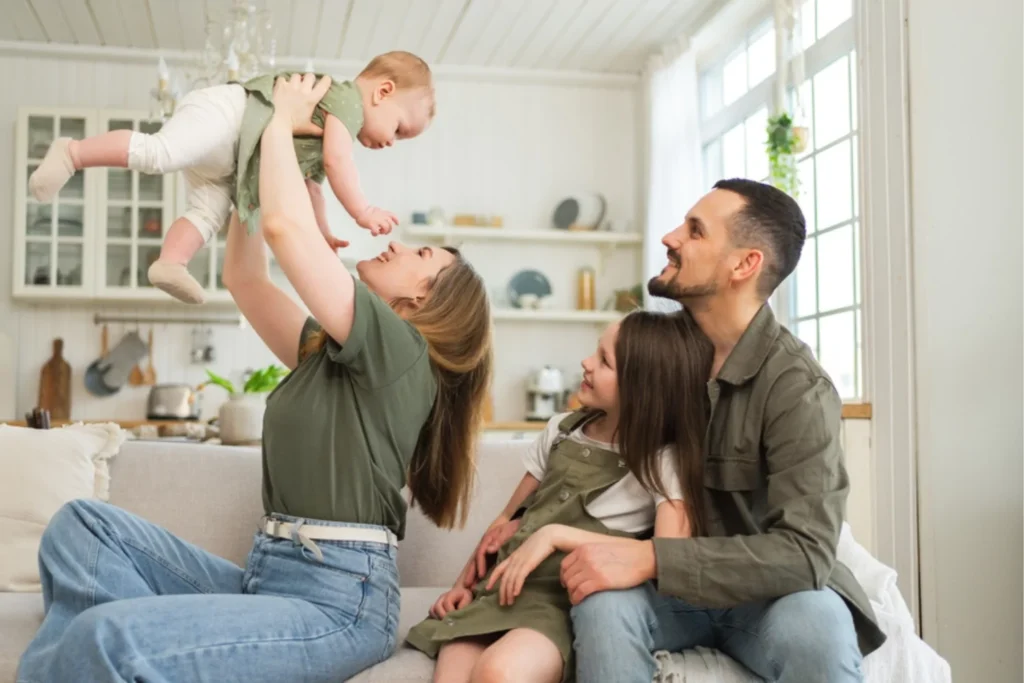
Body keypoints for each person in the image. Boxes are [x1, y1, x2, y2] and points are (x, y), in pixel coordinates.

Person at [16, 74, 491, 683]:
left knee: (107, 634)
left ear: (428, 304)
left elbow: (287, 230)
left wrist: (276, 121)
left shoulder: (402, 354)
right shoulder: (330, 352)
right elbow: (246, 278)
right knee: (82, 528)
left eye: (421, 256)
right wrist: (253, 157)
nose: (399, 246)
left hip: (339, 603)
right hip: (269, 576)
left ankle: (109, 657)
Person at [551, 179, 887, 682]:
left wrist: (653, 558)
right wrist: (522, 517)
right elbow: (587, 434)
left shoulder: (797, 386)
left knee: (821, 625)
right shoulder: (661, 354)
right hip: (668, 599)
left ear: (743, 265)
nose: (669, 237)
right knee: (601, 604)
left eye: (694, 231)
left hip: (768, 599)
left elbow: (806, 551)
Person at [406, 310, 714, 683]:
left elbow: (669, 552)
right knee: (450, 674)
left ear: (642, 387)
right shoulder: (561, 430)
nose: (586, 363)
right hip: (501, 591)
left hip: (560, 605)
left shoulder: (662, 459)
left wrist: (556, 536)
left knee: (497, 672)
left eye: (604, 361)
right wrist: (461, 587)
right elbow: (503, 524)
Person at [28, 51, 434, 304]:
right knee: (161, 153)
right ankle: (73, 152)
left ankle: (170, 262)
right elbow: (336, 164)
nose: (393, 142)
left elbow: (312, 188)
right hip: (231, 116)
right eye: (399, 129)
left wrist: (323, 233)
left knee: (208, 212)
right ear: (382, 92)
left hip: (236, 157)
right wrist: (361, 210)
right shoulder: (346, 104)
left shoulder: (330, 129)